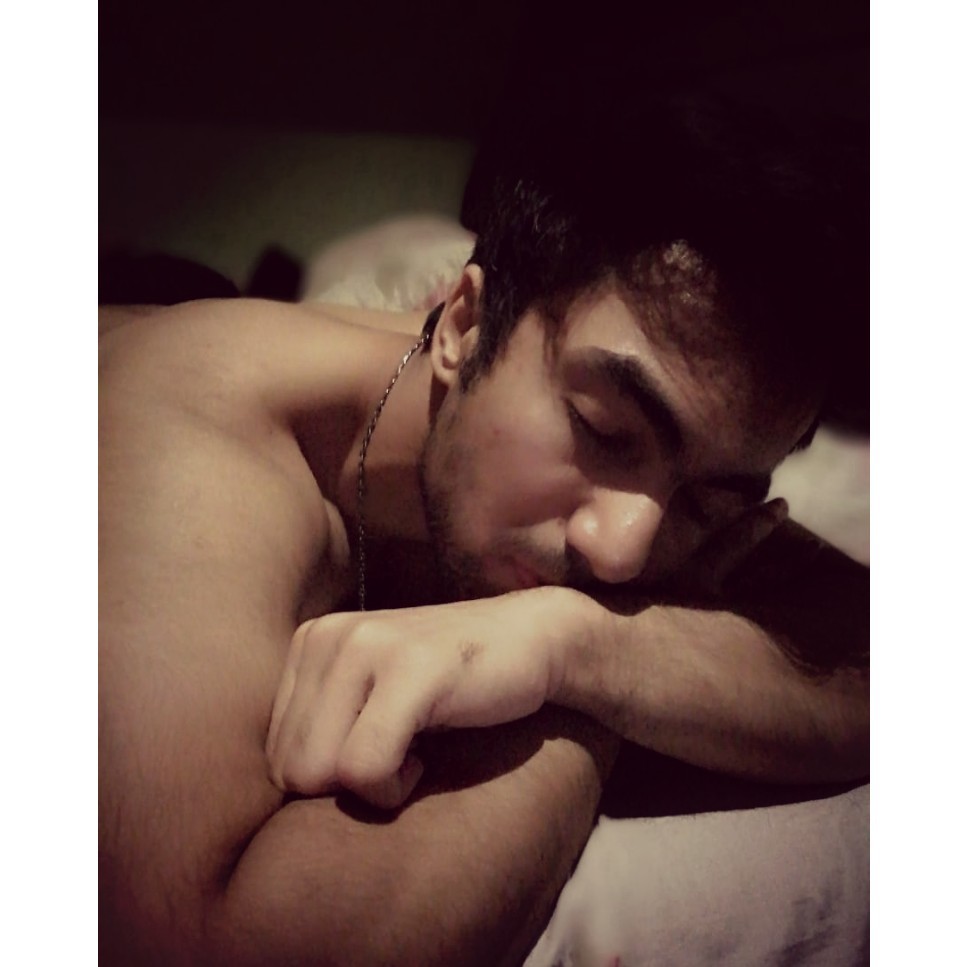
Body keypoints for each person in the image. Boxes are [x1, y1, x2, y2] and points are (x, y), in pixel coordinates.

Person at [99, 95, 868, 964]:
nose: (621, 552)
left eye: (707, 503)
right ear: (463, 326)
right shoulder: (196, 441)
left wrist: (582, 651)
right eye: (604, 430)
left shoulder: (632, 502)